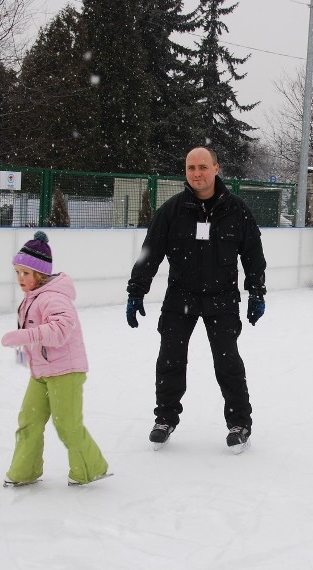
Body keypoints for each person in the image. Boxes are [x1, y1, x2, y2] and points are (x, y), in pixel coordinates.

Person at [126, 146, 267, 454]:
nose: (197, 173)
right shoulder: (172, 211)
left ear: (216, 168)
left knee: (228, 362)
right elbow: (150, 253)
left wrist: (256, 292)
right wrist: (136, 291)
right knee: (170, 359)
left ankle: (239, 423)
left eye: (203, 166)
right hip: (181, 297)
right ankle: (165, 418)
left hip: (222, 299)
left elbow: (254, 257)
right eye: (191, 168)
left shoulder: (237, 210)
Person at [1, 231, 109, 487]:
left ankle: (89, 469)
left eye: (26, 273)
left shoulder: (53, 297)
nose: (20, 279)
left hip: (66, 371)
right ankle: (24, 471)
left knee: (67, 424)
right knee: (29, 420)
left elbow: (61, 331)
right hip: (41, 371)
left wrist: (24, 336)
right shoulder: (34, 297)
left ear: (40, 274)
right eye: (17, 272)